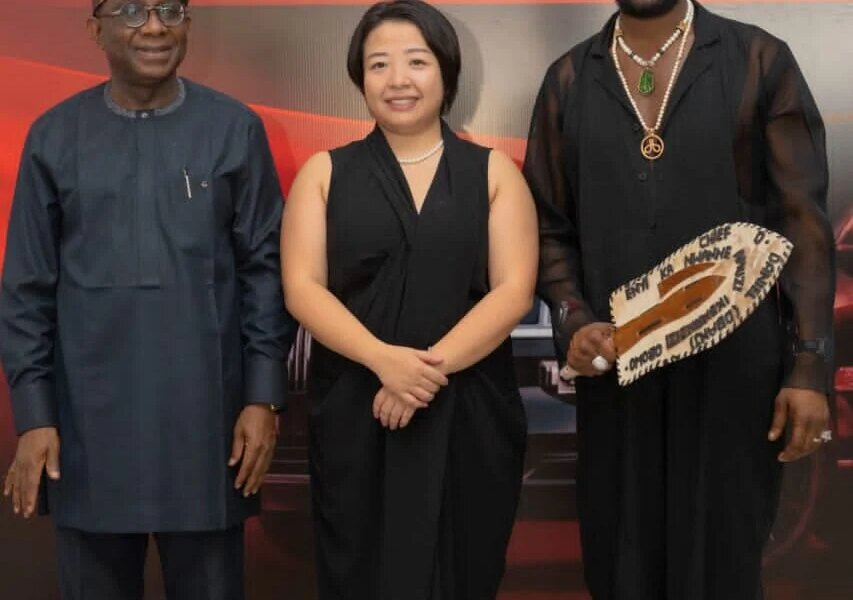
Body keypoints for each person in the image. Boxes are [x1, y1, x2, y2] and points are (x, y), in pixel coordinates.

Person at [524, 0, 834, 598]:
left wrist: (808, 366)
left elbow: (803, 221)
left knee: (722, 568)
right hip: (619, 371)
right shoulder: (569, 78)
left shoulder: (759, 59)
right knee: (621, 568)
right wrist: (574, 319)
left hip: (737, 376)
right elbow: (548, 225)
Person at [0, 0, 295, 597]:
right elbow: (27, 289)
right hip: (87, 428)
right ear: (96, 29)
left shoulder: (233, 128)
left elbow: (266, 272)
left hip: (209, 426)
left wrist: (263, 398)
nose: (155, 26)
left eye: (169, 9)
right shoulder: (53, 136)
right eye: (132, 10)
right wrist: (34, 416)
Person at [281, 1, 538, 597]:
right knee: (361, 570)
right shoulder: (324, 173)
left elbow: (513, 291)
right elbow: (302, 288)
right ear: (359, 78)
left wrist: (421, 376)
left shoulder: (493, 172)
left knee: (463, 568)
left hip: (468, 408)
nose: (398, 79)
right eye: (379, 65)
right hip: (358, 406)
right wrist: (384, 361)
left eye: (416, 62)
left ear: (446, 72)